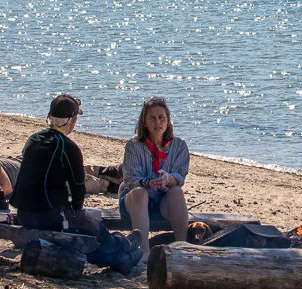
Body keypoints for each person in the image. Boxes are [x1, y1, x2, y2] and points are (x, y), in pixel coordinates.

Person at [11, 93, 142, 272]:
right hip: (51, 215)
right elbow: (78, 187)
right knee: (96, 229)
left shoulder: (33, 140)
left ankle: (121, 259)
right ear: (71, 121)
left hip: (24, 213)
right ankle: (123, 245)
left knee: (82, 235)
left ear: (49, 117)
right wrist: (78, 210)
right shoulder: (68, 147)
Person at [119, 96, 190, 257]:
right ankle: (144, 251)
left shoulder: (179, 146)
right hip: (134, 203)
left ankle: (182, 247)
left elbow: (180, 177)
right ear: (144, 122)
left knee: (177, 191)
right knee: (140, 192)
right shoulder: (133, 146)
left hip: (162, 202)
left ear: (168, 121)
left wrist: (167, 179)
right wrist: (148, 183)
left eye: (161, 118)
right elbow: (130, 180)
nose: (157, 122)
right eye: (152, 118)